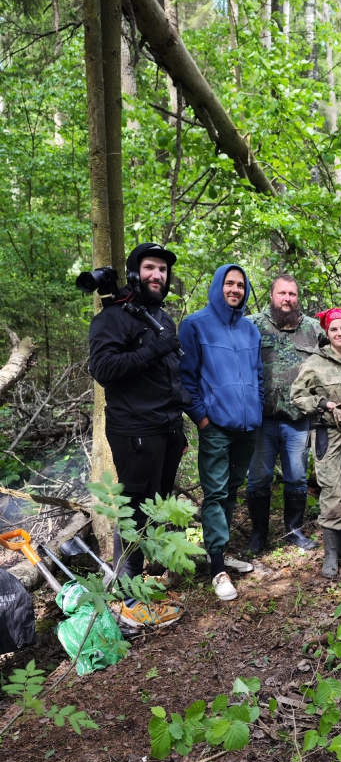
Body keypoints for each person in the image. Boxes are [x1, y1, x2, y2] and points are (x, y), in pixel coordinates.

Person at [88, 242, 187, 627]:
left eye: (162, 269)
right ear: (134, 273)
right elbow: (104, 370)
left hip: (167, 429)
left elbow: (171, 376)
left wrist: (184, 421)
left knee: (157, 507)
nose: (157, 275)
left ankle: (145, 583)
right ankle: (129, 601)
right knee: (134, 511)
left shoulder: (161, 317)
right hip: (135, 432)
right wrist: (152, 351)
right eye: (150, 267)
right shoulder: (113, 319)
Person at [178, 264, 263, 601]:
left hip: (248, 426)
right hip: (215, 426)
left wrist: (257, 409)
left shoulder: (250, 330)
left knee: (231, 490)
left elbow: (257, 376)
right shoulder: (195, 325)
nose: (235, 290)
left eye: (240, 285)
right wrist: (201, 418)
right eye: (229, 283)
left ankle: (221, 552)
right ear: (218, 286)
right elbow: (185, 378)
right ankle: (217, 569)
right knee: (214, 493)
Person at [290, 307, 341, 578]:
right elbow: (297, 396)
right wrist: (323, 403)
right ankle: (330, 553)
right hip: (329, 433)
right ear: (327, 333)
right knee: (332, 491)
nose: (339, 333)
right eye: (334, 329)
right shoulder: (315, 362)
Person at [245, 274, 321, 553]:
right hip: (261, 420)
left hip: (298, 420)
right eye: (282, 293)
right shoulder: (252, 325)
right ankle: (258, 535)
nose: (287, 299)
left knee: (297, 477)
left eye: (292, 294)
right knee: (258, 478)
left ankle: (294, 531)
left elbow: (335, 358)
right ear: (272, 295)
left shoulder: (313, 329)